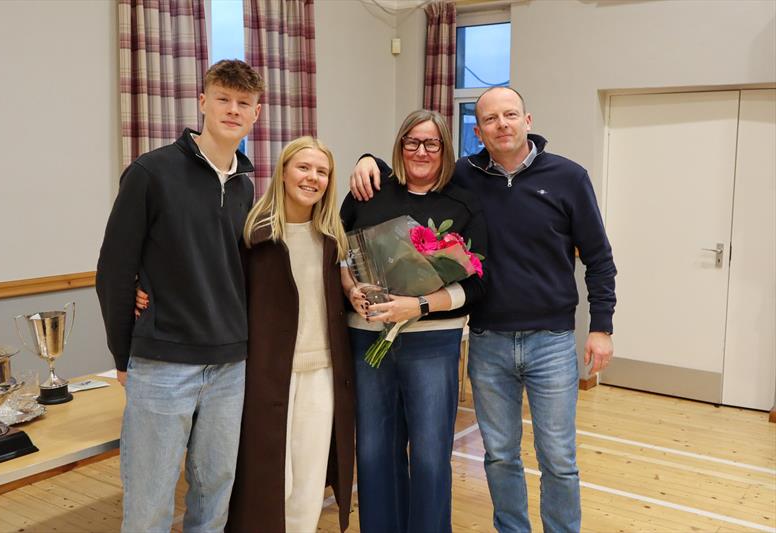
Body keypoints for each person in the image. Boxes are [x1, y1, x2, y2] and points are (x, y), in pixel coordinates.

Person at [350, 87, 616, 533]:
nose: (502, 125)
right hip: (489, 339)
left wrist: (602, 326)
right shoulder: (463, 178)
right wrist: (367, 160)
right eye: (491, 119)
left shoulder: (569, 177)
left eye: (510, 115)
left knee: (559, 459)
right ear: (478, 131)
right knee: (500, 455)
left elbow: (598, 257)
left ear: (527, 119)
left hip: (550, 340)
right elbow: (412, 168)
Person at [95, 59, 263, 533]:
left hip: (231, 366)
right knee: (150, 503)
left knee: (214, 495)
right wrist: (123, 355)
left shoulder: (248, 187)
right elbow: (114, 269)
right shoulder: (151, 172)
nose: (233, 109)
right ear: (203, 102)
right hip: (163, 364)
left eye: (243, 103)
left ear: (256, 114)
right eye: (224, 99)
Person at [340, 109, 487, 533]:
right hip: (368, 339)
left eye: (431, 144)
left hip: (432, 343)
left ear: (445, 149)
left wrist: (419, 305)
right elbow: (337, 252)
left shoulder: (462, 203)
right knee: (373, 453)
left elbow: (479, 284)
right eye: (411, 142)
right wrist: (351, 289)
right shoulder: (368, 191)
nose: (421, 152)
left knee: (427, 456)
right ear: (399, 145)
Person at [224, 136, 355, 533]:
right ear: (283, 172)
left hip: (323, 373)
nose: (312, 178)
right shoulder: (253, 235)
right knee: (267, 483)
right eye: (304, 168)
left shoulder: (333, 238)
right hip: (266, 376)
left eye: (322, 171)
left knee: (309, 483)